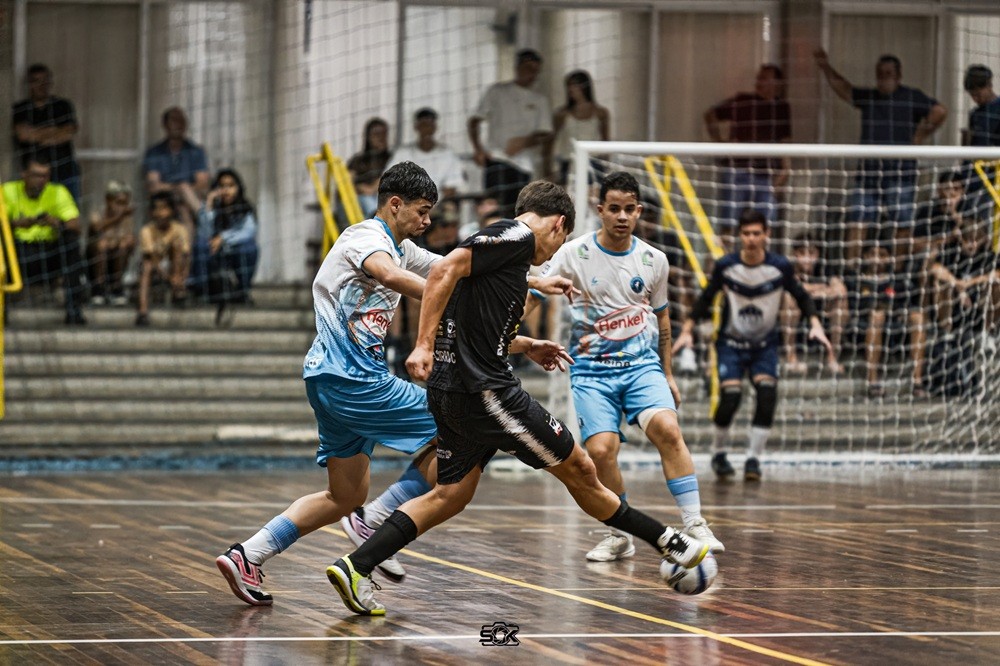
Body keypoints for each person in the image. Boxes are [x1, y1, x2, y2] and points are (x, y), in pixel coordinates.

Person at [326, 181, 710, 617]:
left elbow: (478, 326)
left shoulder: (504, 263)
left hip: (456, 391)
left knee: (449, 495)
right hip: (487, 393)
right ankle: (670, 540)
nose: (553, 251)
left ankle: (355, 566)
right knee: (581, 467)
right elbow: (443, 270)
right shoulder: (515, 236)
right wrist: (423, 344)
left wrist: (527, 344)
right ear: (559, 224)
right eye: (561, 239)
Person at [524, 171, 723, 561]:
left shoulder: (654, 260)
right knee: (600, 451)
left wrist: (667, 373)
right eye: (613, 208)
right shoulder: (572, 254)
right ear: (600, 210)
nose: (621, 216)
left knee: (667, 427)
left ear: (639, 212)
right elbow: (534, 295)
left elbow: (663, 320)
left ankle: (695, 522)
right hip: (592, 373)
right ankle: (619, 534)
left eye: (629, 209)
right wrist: (510, 331)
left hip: (641, 367)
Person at [674, 209, 835, 482]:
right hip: (731, 344)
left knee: (767, 393)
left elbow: (801, 296)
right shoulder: (726, 266)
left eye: (756, 233)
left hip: (764, 345)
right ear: (740, 236)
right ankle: (720, 452)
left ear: (766, 235)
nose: (751, 239)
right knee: (731, 397)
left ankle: (753, 458)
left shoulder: (780, 266)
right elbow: (706, 298)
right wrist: (687, 330)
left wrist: (816, 324)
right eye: (746, 234)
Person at [814, 50, 947, 262]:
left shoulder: (911, 96)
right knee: (858, 221)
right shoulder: (870, 97)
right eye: (880, 73)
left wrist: (920, 135)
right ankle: (852, 274)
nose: (883, 77)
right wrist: (825, 67)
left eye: (888, 72)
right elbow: (845, 90)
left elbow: (940, 110)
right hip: (869, 175)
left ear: (898, 74)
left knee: (902, 225)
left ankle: (899, 278)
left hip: (900, 174)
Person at [704, 64, 791, 248]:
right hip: (738, 171)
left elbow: (785, 142)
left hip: (765, 175)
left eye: (765, 78)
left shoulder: (781, 108)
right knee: (729, 224)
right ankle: (720, 267)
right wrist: (720, 142)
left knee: (764, 225)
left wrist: (785, 170)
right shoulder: (743, 101)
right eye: (759, 78)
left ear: (778, 83)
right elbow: (710, 114)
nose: (760, 82)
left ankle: (758, 267)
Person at [2, 155, 87, 325]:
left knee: (71, 241)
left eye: (45, 176)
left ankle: (73, 311)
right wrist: (17, 224)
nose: (41, 181)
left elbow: (76, 226)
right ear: (24, 174)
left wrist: (58, 223)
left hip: (49, 253)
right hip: (18, 254)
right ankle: (1, 312)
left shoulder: (57, 192)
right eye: (36, 175)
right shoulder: (8, 190)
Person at [468, 49, 553, 218]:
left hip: (523, 165)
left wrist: (525, 141)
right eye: (528, 68)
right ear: (518, 67)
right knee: (492, 211)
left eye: (536, 70)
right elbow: (474, 120)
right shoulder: (497, 91)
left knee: (517, 212)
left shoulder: (540, 100)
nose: (532, 74)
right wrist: (478, 149)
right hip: (496, 159)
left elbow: (545, 134)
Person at [848, 236, 925, 399]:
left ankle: (917, 380)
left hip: (893, 322)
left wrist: (902, 313)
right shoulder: (856, 280)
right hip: (864, 324)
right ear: (865, 257)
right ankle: (873, 380)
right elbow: (855, 307)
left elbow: (906, 303)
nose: (877, 259)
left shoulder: (898, 280)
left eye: (882, 255)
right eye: (872, 254)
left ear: (889, 258)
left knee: (917, 317)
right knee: (877, 315)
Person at [193, 169, 260, 323]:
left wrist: (223, 238)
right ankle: (202, 292)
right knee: (200, 246)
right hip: (214, 255)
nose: (226, 190)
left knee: (249, 247)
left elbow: (249, 232)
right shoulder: (212, 208)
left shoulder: (245, 208)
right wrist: (209, 206)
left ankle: (243, 291)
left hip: (235, 253)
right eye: (222, 186)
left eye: (230, 186)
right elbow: (203, 232)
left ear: (238, 188)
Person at [12, 64, 81, 202]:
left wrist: (36, 133)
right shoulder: (21, 108)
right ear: (29, 84)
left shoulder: (62, 105)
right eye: (36, 81)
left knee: (69, 209)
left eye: (45, 80)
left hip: (64, 169)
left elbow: (68, 132)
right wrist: (53, 132)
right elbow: (23, 135)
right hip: (34, 172)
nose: (42, 85)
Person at [781, 235, 847, 375]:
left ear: (817, 254)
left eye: (811, 253)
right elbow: (794, 289)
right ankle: (791, 357)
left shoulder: (824, 268)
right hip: (796, 308)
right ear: (795, 254)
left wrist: (810, 290)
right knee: (789, 299)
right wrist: (822, 288)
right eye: (802, 253)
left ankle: (832, 356)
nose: (807, 258)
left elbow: (840, 289)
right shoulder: (788, 267)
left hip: (821, 308)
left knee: (841, 303)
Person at [143, 107, 211, 234]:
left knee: (183, 208)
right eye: (174, 121)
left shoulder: (195, 151)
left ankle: (186, 252)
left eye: (181, 121)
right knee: (182, 192)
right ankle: (207, 221)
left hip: (190, 199)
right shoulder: (154, 152)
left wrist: (184, 190)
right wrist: (178, 188)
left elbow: (203, 183)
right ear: (165, 124)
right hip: (164, 199)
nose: (178, 125)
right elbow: (153, 185)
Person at [135, 192, 190, 326]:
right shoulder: (147, 230)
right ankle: (143, 311)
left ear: (172, 210)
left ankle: (178, 291)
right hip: (156, 268)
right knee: (146, 266)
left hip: (174, 266)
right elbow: (151, 258)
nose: (160, 213)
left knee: (177, 245)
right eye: (157, 209)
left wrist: (182, 277)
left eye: (164, 208)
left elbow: (186, 257)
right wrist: (168, 277)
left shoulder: (180, 229)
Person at [385, 108, 465, 201]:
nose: (427, 129)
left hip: (438, 205)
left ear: (435, 127)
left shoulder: (448, 154)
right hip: (407, 203)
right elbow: (389, 178)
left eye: (430, 125)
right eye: (423, 125)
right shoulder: (403, 153)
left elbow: (452, 187)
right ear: (416, 127)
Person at [549, 70, 610, 184]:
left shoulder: (601, 113)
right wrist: (551, 167)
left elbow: (605, 140)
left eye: (574, 85)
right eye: (568, 85)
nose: (571, 89)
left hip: (593, 163)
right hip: (568, 162)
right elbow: (552, 140)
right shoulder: (562, 114)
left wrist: (606, 166)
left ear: (584, 86)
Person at [87, 180, 136, 306]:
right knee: (102, 245)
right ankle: (98, 288)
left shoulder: (127, 218)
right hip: (95, 262)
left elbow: (130, 239)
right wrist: (118, 218)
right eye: (119, 203)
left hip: (117, 259)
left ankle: (116, 287)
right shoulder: (97, 213)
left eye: (125, 203)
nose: (122, 207)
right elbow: (97, 227)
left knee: (125, 244)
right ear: (108, 200)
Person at [347, 117, 391, 219]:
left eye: (384, 134)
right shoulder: (358, 160)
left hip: (383, 197)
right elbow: (346, 183)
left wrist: (373, 188)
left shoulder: (391, 158)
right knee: (366, 200)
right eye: (377, 134)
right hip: (361, 199)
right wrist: (360, 188)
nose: (381, 138)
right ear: (368, 137)